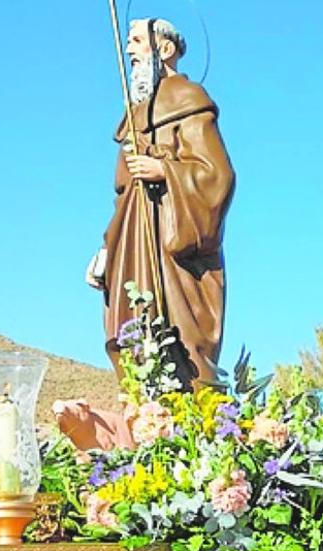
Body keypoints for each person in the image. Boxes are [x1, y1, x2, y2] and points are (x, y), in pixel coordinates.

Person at [90, 18, 236, 390]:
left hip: (176, 246)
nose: (128, 50)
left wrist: (163, 169)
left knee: (181, 348)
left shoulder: (188, 102)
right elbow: (123, 196)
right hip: (133, 245)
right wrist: (108, 249)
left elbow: (217, 177)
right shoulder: (135, 119)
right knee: (133, 334)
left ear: (165, 49)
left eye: (137, 40)